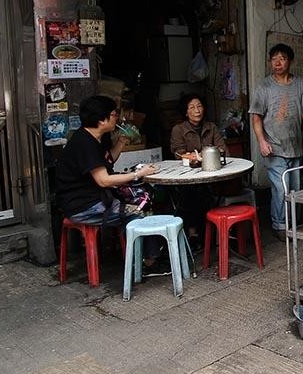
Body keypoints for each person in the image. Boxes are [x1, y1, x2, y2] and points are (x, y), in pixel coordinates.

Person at [54, 95, 161, 260]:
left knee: (145, 195)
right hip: (82, 205)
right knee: (141, 208)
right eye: (113, 114)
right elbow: (103, 180)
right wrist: (137, 174)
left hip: (94, 196)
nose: (116, 118)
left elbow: (107, 159)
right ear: (101, 119)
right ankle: (146, 261)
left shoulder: (95, 137)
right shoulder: (84, 143)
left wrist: (121, 142)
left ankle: (139, 254)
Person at [250, 43, 303, 239]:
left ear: (290, 61)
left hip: (294, 146)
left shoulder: (300, 84)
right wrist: (261, 142)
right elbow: (256, 117)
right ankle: (279, 225)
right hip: (273, 147)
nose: (277, 63)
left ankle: (292, 224)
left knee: (294, 189)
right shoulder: (264, 86)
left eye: (282, 58)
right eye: (274, 59)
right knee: (281, 187)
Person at [169, 92, 228, 242]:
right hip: (189, 175)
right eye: (192, 107)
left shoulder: (211, 127)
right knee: (191, 192)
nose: (197, 110)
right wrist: (192, 157)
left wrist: (205, 155)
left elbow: (223, 149)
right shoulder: (178, 129)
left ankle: (205, 232)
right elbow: (179, 153)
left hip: (211, 173)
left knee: (207, 192)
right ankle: (195, 231)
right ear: (186, 111)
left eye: (199, 106)